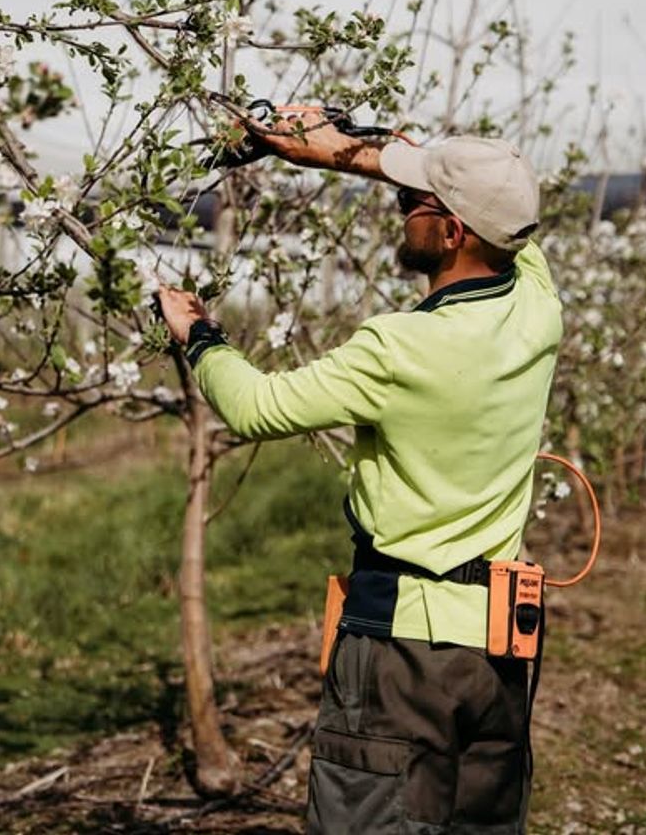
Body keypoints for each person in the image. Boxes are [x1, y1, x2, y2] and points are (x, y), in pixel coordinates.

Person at [159, 115, 563, 835]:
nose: (398, 208)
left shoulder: (399, 346)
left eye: (414, 204)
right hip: (497, 653)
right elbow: (500, 211)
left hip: (399, 650)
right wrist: (340, 150)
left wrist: (198, 334)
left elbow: (256, 407)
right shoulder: (539, 306)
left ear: (453, 232)